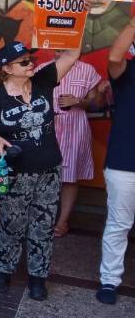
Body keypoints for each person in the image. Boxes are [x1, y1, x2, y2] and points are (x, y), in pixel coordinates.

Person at [0, 41, 80, 301]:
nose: (32, 64)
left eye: (31, 59)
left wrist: (77, 19)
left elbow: (72, 53)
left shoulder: (43, 80)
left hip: (49, 169)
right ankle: (3, 270)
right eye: (24, 62)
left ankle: (38, 276)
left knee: (44, 223)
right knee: (10, 222)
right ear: (7, 68)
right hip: (10, 171)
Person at [36, 55, 103, 237]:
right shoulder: (42, 68)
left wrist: (79, 102)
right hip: (47, 127)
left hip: (75, 126)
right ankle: (42, 218)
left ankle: (62, 221)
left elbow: (97, 103)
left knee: (69, 177)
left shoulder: (87, 69)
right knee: (43, 175)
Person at [96, 16, 135, 305]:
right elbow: (113, 56)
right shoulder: (127, 71)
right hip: (125, 163)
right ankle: (109, 280)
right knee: (119, 224)